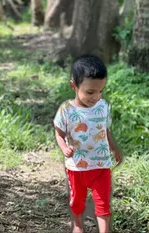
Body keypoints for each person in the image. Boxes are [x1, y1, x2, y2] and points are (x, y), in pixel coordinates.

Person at [54, 55, 122, 233]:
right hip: (77, 168)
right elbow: (59, 133)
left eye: (101, 91)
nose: (96, 97)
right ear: (73, 86)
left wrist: (114, 148)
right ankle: (77, 224)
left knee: (103, 202)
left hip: (101, 165)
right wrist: (64, 148)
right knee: (77, 202)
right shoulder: (66, 110)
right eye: (90, 92)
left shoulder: (103, 106)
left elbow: (104, 129)